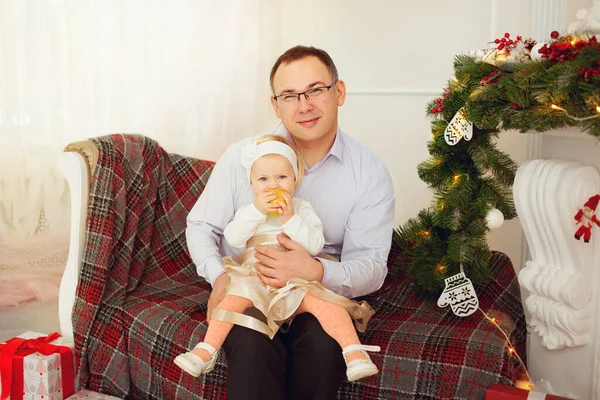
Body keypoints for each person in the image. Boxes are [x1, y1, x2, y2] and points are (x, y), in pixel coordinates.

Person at [185, 45, 395, 400]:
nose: (304, 105)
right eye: (290, 95)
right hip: (251, 281)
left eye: (316, 90)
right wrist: (219, 276)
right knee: (249, 344)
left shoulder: (369, 173)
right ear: (275, 105)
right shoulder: (242, 156)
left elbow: (372, 266)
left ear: (338, 92)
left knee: (323, 347)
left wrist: (315, 271)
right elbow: (202, 227)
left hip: (313, 289)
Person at [175, 134, 380, 382]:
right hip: (255, 276)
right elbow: (233, 237)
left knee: (328, 305)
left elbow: (315, 245)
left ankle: (354, 353)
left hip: (295, 279)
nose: (273, 186)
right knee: (231, 301)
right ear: (251, 183)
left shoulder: (302, 209)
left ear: (295, 179)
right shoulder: (248, 211)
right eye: (263, 179)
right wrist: (256, 211)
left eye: (281, 177)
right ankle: (206, 351)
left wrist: (290, 219)